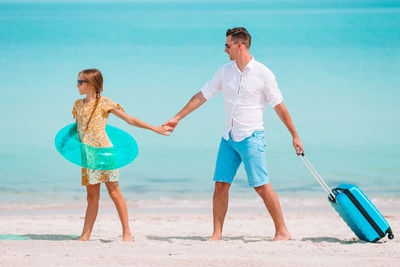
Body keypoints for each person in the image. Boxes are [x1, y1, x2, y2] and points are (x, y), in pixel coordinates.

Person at [163, 27, 304, 241]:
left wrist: (294, 135)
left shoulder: (263, 74)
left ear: (240, 45)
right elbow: (203, 95)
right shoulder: (224, 71)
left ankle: (282, 231)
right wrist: (177, 117)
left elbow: (279, 106)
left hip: (251, 137)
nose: (225, 49)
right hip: (228, 138)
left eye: (227, 45)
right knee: (220, 185)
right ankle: (217, 234)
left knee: (261, 185)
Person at [73, 68, 171, 241]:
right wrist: (66, 145)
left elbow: (129, 119)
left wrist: (154, 128)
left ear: (91, 84)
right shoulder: (78, 105)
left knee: (114, 191)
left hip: (105, 153)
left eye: (81, 82)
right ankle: (85, 234)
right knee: (91, 196)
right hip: (88, 156)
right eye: (78, 81)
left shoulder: (105, 103)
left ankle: (127, 232)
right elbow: (78, 130)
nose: (77, 85)